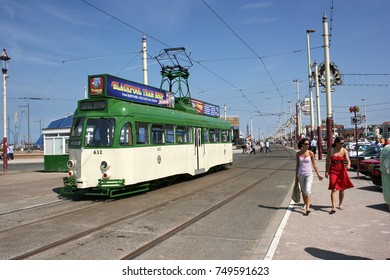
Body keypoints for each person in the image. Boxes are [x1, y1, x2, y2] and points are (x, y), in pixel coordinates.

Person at [325, 137, 354, 214]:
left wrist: (348, 165)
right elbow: (327, 161)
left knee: (342, 188)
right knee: (334, 189)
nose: (342, 144)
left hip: (342, 170)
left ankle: (340, 204)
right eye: (341, 143)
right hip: (333, 170)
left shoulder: (344, 150)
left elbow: (348, 160)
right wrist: (326, 171)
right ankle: (333, 207)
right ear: (336, 143)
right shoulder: (331, 150)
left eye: (343, 143)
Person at [295, 138, 323, 215]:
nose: (307, 145)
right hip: (301, 174)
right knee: (303, 191)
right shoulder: (298, 154)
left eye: (308, 144)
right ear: (302, 144)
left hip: (309, 174)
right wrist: (296, 177)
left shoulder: (311, 153)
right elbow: (297, 165)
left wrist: (318, 175)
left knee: (307, 190)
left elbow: (314, 164)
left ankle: (308, 208)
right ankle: (305, 203)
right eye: (306, 144)